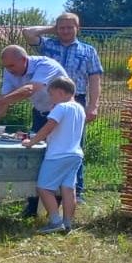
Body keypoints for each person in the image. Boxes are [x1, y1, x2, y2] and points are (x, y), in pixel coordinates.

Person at [0, 45, 67, 217]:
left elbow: (29, 90)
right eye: (5, 66)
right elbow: (5, 100)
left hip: (62, 115)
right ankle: (34, 205)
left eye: (11, 66)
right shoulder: (11, 70)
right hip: (41, 114)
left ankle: (58, 206)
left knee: (56, 157)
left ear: (24, 60)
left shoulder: (46, 65)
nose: (8, 70)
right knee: (35, 157)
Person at [24, 12, 101, 198]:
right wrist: (53, 28)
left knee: (72, 145)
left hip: (76, 102)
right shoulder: (48, 45)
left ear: (78, 29)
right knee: (39, 142)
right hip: (47, 101)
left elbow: (95, 78)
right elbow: (28, 33)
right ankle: (37, 195)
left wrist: (93, 105)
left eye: (69, 27)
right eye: (62, 27)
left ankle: (75, 192)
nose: (65, 31)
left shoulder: (88, 51)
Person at [21, 76, 86, 233]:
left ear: (61, 92)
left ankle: (55, 221)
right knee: (68, 190)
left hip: (58, 155)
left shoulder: (61, 108)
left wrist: (32, 142)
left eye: (51, 94)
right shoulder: (79, 108)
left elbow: (48, 127)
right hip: (75, 154)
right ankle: (68, 223)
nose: (50, 98)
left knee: (44, 187)